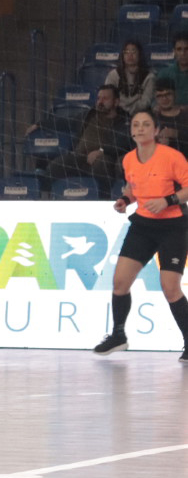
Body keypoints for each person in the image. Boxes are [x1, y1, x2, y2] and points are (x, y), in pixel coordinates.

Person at [92, 109, 188, 358]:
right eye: (136, 124)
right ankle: (118, 335)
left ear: (156, 130)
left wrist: (168, 200)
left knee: (170, 288)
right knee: (120, 282)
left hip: (173, 226)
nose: (141, 128)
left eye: (147, 124)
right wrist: (125, 199)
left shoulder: (172, 157)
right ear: (132, 130)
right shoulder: (128, 159)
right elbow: (133, 186)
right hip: (143, 226)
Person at [49, 85, 131, 185]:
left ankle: (103, 198)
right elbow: (65, 122)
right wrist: (39, 124)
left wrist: (101, 151)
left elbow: (123, 142)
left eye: (105, 99)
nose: (100, 102)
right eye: (99, 98)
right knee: (55, 166)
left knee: (102, 164)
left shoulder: (124, 120)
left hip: (105, 157)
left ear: (116, 102)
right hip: (80, 158)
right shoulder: (88, 115)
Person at [107, 40, 157, 116]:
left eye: (133, 52)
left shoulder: (149, 77)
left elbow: (146, 102)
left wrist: (129, 112)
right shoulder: (114, 74)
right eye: (126, 52)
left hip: (140, 114)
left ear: (140, 55)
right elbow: (108, 95)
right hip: (117, 114)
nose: (130, 55)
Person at [154, 81, 184, 147]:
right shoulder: (152, 118)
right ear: (155, 98)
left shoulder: (186, 115)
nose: (164, 98)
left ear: (175, 94)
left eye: (168, 94)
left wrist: (176, 133)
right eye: (160, 96)